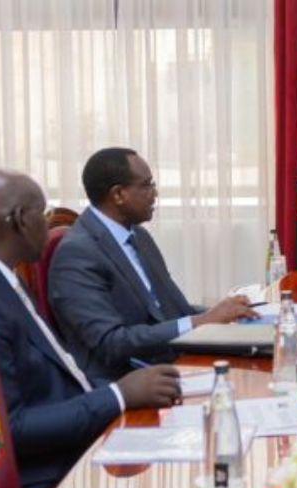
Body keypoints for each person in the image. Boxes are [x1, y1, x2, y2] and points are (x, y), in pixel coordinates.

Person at [0, 169, 182, 488]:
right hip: (42, 477)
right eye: (42, 214)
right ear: (21, 221)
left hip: (73, 438)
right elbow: (8, 430)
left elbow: (59, 373)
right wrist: (119, 395)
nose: (49, 223)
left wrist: (127, 390)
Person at [48, 148, 257, 381]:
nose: (155, 193)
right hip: (127, 380)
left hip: (170, 361)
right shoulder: (77, 254)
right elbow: (111, 343)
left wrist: (227, 313)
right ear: (118, 194)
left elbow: (173, 310)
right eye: (147, 185)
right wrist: (201, 321)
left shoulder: (138, 235)